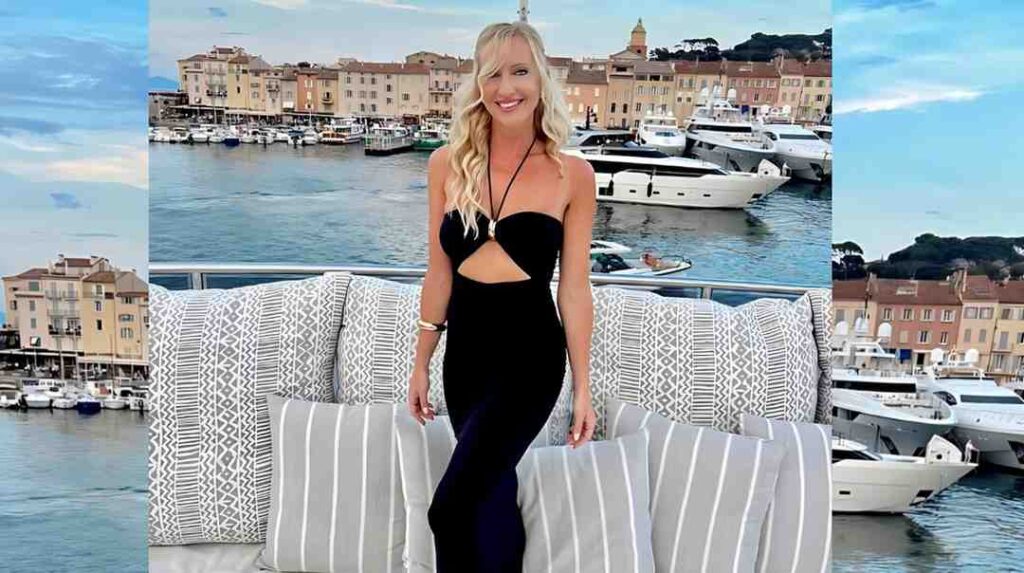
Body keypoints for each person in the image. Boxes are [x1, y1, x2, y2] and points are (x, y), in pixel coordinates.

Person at [406, 20, 598, 572]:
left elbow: (576, 288)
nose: (506, 87)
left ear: (542, 80)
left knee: (451, 508)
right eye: (493, 74)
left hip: (530, 357)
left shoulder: (573, 175)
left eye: (520, 71)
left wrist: (584, 387)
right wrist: (421, 363)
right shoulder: (446, 164)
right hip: (464, 356)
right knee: (490, 497)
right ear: (477, 82)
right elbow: (438, 271)